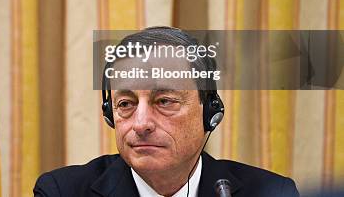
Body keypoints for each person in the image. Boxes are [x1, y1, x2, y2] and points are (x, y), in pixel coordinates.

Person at [33, 27, 300, 197]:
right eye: (125, 104)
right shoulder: (62, 191)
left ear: (209, 111)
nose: (141, 124)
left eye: (164, 101)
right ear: (109, 113)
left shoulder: (272, 192)